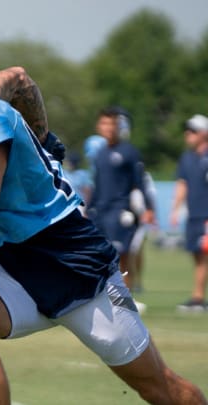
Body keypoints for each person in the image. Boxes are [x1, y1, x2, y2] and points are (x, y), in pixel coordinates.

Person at [0, 25, 206, 404]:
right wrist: (42, 137)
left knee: (161, 389)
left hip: (72, 269)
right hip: (18, 264)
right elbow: (18, 77)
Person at [87, 106, 155, 303]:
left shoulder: (129, 152)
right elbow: (97, 184)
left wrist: (149, 208)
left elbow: (140, 181)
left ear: (118, 126)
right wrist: (88, 208)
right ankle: (103, 298)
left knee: (122, 255)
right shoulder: (99, 154)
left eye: (112, 123)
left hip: (120, 211)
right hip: (100, 212)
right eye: (104, 123)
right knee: (100, 255)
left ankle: (126, 300)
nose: (108, 127)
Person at [170, 114, 208, 312]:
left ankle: (198, 297)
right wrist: (175, 209)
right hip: (194, 214)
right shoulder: (187, 158)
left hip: (206, 215)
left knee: (204, 254)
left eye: (193, 131)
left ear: (204, 133)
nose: (188, 134)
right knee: (196, 254)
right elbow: (182, 184)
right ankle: (198, 296)